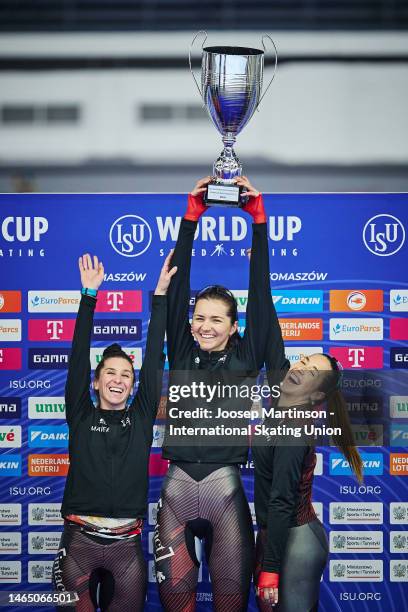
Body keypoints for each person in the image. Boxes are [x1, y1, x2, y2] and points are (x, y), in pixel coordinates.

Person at [154, 176, 288, 611]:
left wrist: (259, 222)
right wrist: (192, 216)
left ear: (234, 326)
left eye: (217, 319)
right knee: (177, 603)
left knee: (231, 604)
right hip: (175, 491)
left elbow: (262, 295)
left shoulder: (247, 356)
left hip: (225, 490)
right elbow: (177, 286)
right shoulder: (182, 348)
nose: (205, 325)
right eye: (199, 317)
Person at [52, 251, 176, 612]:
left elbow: (154, 357)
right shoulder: (79, 412)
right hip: (78, 544)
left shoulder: (139, 419)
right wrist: (88, 296)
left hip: (127, 549)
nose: (118, 379)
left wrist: (161, 295)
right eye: (110, 372)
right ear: (96, 380)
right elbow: (77, 357)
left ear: (133, 385)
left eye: (126, 375)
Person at [253, 352, 363, 611]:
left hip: (296, 542)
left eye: (312, 372)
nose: (301, 368)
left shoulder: (294, 426)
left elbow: (282, 500)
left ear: (316, 397)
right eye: (303, 362)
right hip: (278, 537)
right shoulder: (280, 411)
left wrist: (270, 567)